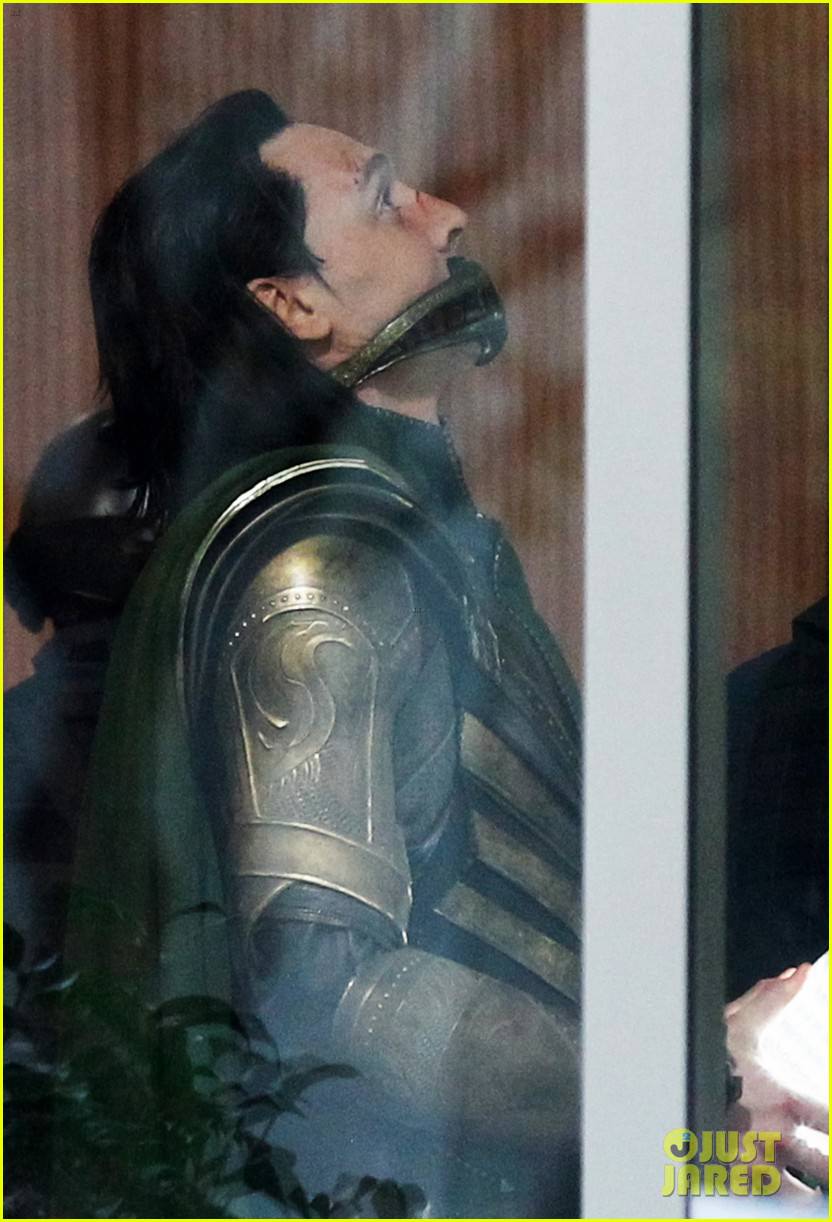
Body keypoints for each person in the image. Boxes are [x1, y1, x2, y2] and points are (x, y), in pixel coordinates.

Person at [42, 90, 581, 1217]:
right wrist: (658, 1065)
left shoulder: (413, 535)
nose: (446, 217)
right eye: (383, 200)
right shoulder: (324, 570)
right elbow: (323, 986)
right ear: (290, 302)